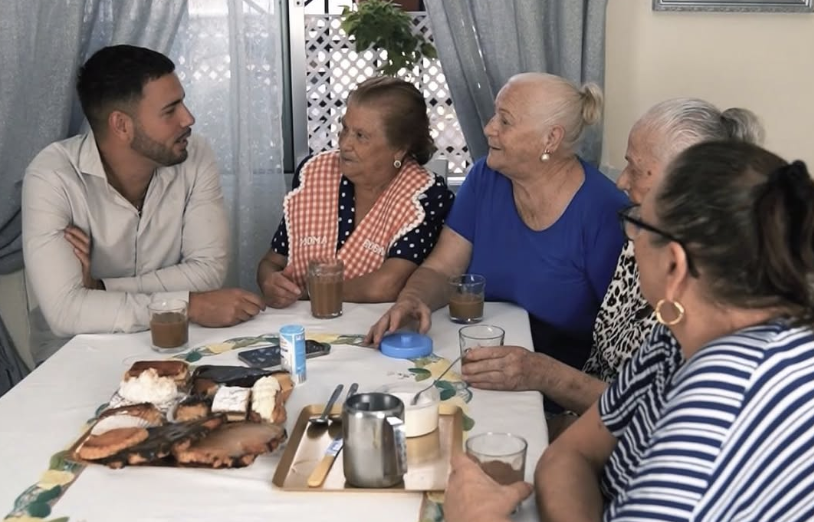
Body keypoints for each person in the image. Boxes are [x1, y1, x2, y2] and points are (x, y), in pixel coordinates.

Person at [445, 141, 814, 522]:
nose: (631, 241)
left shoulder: (732, 391)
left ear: (674, 264)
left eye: (637, 224)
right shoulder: (677, 336)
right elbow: (569, 457)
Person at [450, 98, 764, 436]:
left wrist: (542, 374)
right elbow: (604, 363)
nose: (621, 182)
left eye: (634, 166)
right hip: (584, 426)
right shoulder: (640, 234)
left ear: (687, 183)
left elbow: (661, 418)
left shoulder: (725, 293)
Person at [367, 73, 629, 373]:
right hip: (480, 359)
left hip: (560, 385)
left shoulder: (604, 212)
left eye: (505, 121)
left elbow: (617, 342)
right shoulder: (484, 178)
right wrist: (412, 301)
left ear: (551, 139)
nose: (489, 128)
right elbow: (442, 268)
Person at [22, 45, 265, 363]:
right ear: (121, 125)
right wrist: (190, 304)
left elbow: (208, 271)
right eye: (170, 110)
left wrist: (102, 288)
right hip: (76, 350)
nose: (188, 118)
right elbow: (66, 312)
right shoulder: (52, 177)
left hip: (183, 338)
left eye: (183, 102)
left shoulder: (195, 154)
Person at [257, 76, 454, 306]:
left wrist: (308, 293)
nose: (344, 144)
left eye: (361, 136)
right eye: (345, 129)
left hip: (376, 329)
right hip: (302, 327)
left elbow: (387, 285)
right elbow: (271, 262)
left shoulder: (423, 197)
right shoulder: (313, 175)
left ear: (399, 149)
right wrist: (270, 282)